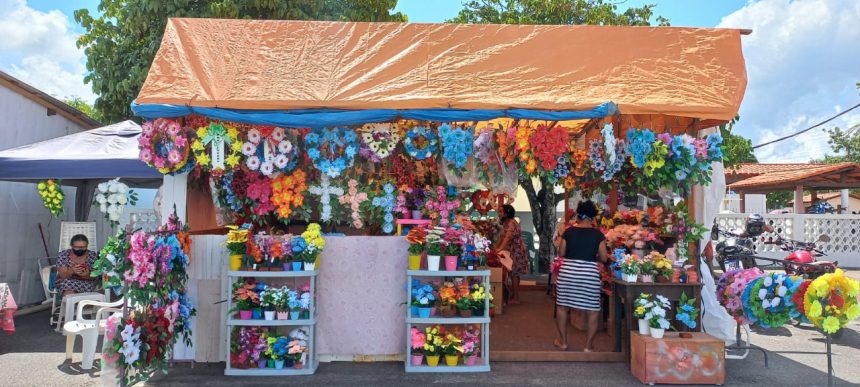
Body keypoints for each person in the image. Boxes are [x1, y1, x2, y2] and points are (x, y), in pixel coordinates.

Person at [554, 200, 607, 352]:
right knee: (593, 311)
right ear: (592, 217)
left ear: (578, 215)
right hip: (589, 274)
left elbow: (561, 253)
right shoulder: (598, 235)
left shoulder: (569, 232)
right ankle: (588, 346)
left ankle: (563, 342)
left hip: (568, 273)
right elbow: (603, 258)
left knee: (563, 307)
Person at [496, 204, 529, 305]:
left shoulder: (510, 223)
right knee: (512, 273)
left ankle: (516, 298)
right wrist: (497, 248)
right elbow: (503, 238)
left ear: (506, 213)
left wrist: (499, 249)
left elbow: (507, 238)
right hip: (513, 250)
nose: (499, 213)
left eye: (501, 212)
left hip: (516, 251)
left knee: (514, 273)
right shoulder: (507, 222)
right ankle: (514, 294)